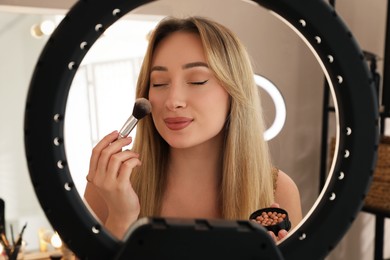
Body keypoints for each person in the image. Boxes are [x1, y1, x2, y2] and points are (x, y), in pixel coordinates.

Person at [84, 16, 302, 242]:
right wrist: (121, 218)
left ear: (234, 91)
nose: (173, 101)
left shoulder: (276, 190)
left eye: (197, 80)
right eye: (159, 83)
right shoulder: (109, 186)